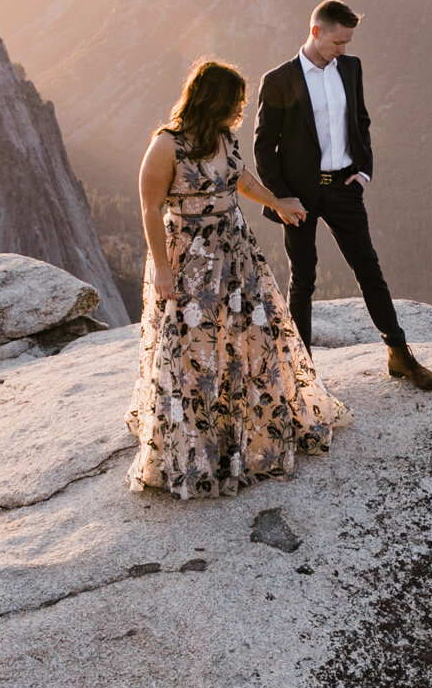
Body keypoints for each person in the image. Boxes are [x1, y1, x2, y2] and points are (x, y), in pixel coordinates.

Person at [126, 58, 350, 498]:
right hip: (189, 258)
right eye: (236, 102)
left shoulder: (224, 138)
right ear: (213, 101)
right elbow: (151, 209)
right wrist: (164, 271)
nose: (241, 110)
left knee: (250, 340)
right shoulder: (166, 146)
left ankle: (248, 437)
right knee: (195, 354)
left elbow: (239, 179)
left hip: (236, 254)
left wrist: (278, 202)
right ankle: (201, 447)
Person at [252, 0, 432, 391]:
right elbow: (262, 147)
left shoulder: (351, 69)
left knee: (369, 270)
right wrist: (281, 199)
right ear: (316, 31)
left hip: (344, 188)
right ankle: (301, 372)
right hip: (299, 198)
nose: (344, 49)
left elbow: (361, 120)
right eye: (339, 41)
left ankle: (399, 354)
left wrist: (364, 170)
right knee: (303, 280)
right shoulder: (279, 80)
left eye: (348, 42)